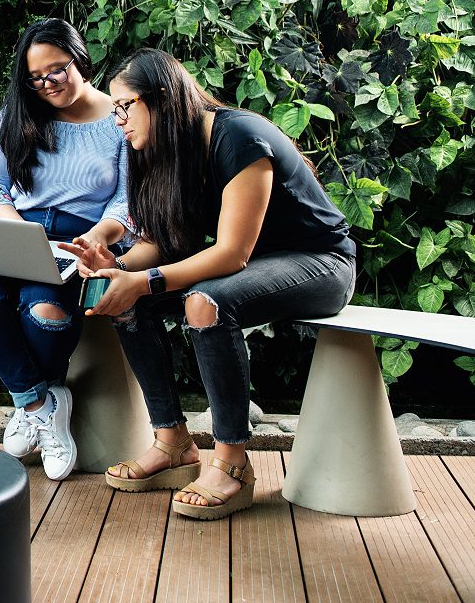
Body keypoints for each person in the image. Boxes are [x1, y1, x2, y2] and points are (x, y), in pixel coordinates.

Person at [60, 48, 356, 519]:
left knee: (204, 302)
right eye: (114, 109)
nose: (118, 120)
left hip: (320, 262)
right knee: (127, 301)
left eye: (125, 106)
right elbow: (161, 244)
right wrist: (118, 268)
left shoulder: (238, 136)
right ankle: (172, 442)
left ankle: (233, 464)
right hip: (251, 268)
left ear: (162, 98)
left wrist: (142, 280)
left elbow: (231, 253)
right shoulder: (162, 152)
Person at [0, 19, 132, 481]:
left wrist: (99, 237)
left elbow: (128, 201)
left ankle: (34, 404)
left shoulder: (119, 118)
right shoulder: (16, 117)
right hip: (16, 228)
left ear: (80, 57)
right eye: (35, 77)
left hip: (81, 238)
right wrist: (19, 234)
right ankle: (39, 403)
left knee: (45, 311)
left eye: (57, 70)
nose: (48, 84)